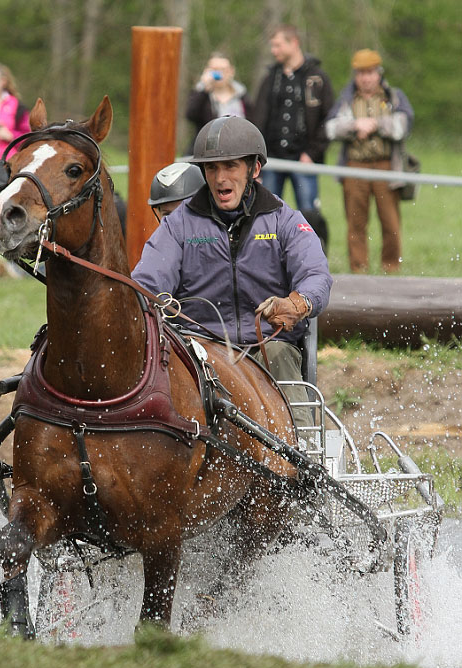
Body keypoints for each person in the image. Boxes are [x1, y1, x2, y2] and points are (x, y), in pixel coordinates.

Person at [132, 116, 332, 435]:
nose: (220, 178)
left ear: (254, 169)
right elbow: (146, 283)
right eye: (212, 168)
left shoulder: (285, 221)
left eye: (230, 166)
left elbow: (316, 275)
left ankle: (303, 452)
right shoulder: (178, 226)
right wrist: (147, 301)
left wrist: (297, 303)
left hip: (269, 345)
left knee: (280, 354)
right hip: (197, 349)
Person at [325, 49, 414, 274]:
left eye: (370, 72)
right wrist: (355, 126)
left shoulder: (393, 97)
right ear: (356, 75)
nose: (366, 78)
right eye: (361, 73)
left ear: (378, 73)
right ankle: (359, 270)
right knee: (355, 223)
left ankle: (391, 268)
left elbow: (404, 125)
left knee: (391, 223)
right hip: (354, 167)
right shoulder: (346, 99)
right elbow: (330, 128)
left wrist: (375, 124)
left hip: (386, 167)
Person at [253, 24, 334, 215]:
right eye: (272, 46)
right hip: (272, 158)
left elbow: (329, 118)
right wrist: (258, 157)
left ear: (294, 43)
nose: (274, 51)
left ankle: (311, 246)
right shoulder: (271, 78)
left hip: (304, 158)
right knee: (265, 213)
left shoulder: (317, 78)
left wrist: (313, 153)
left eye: (278, 45)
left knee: (309, 214)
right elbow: (258, 117)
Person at [185, 53, 253, 154]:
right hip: (207, 151)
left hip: (236, 151)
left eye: (223, 70)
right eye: (215, 69)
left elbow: (252, 123)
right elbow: (190, 115)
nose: (219, 74)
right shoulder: (201, 94)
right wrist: (204, 90)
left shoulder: (242, 96)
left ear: (231, 71)